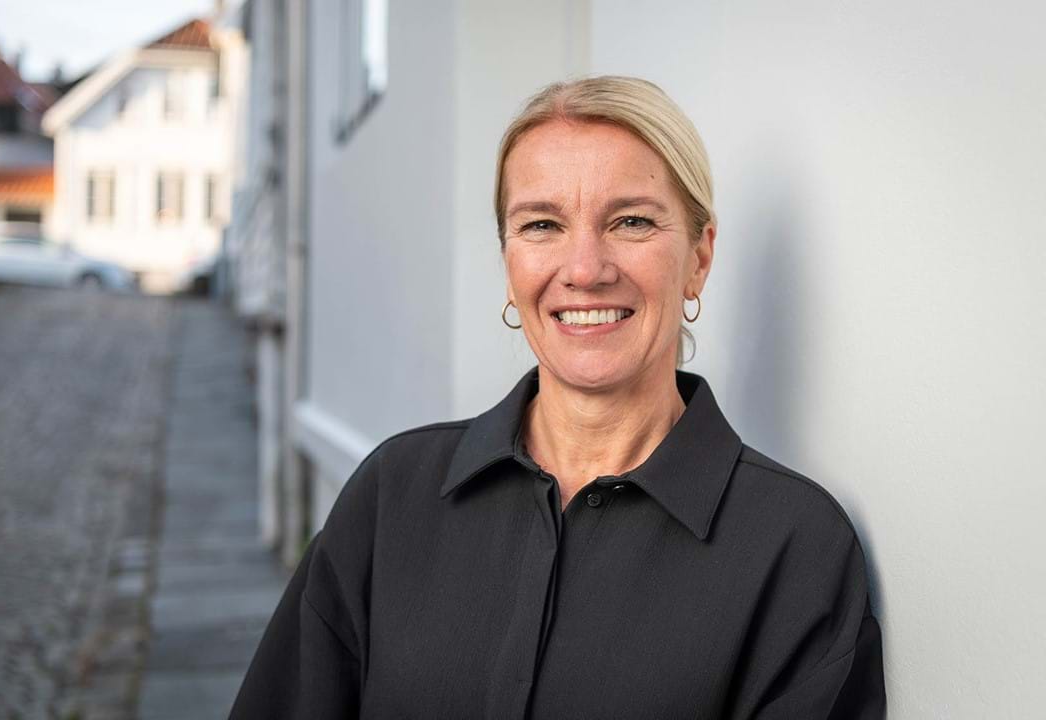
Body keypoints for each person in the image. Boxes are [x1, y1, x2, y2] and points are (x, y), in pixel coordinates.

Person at [229, 76, 886, 719]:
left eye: (631, 221)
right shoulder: (392, 496)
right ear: (508, 262)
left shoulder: (796, 546)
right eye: (542, 224)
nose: (584, 270)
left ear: (699, 257)